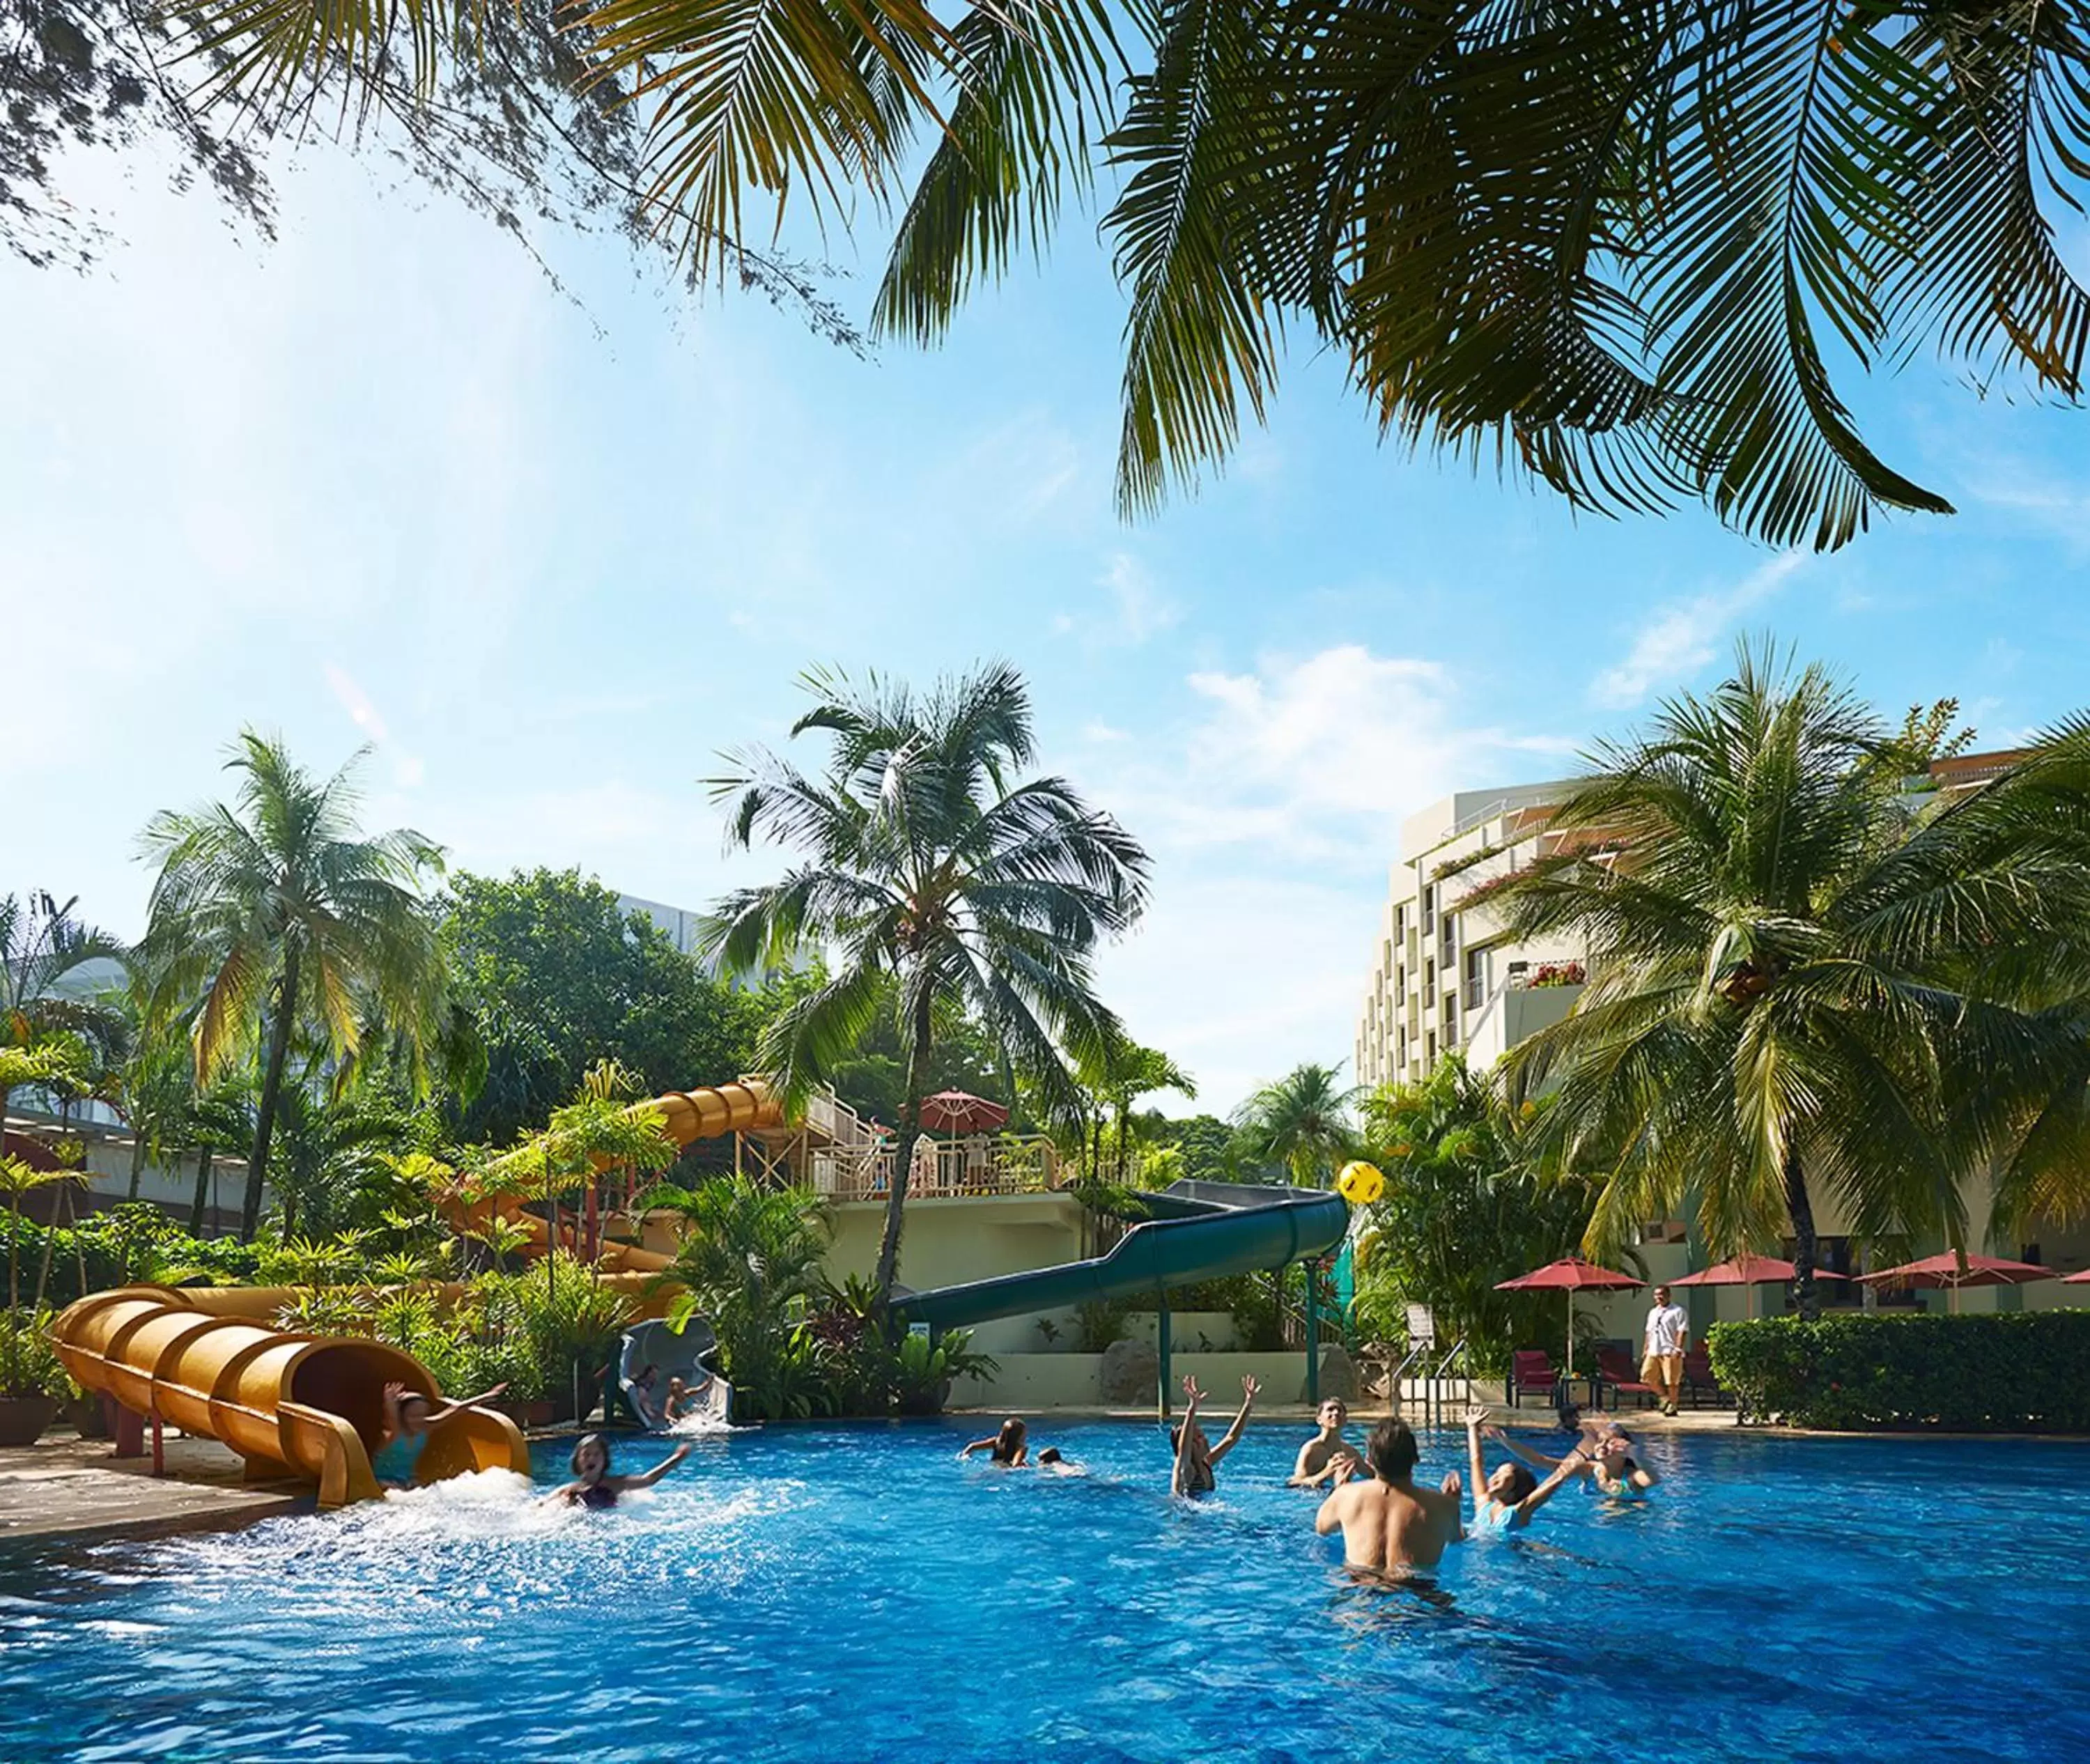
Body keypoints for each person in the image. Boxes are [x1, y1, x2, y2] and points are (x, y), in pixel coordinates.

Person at [1313, 1417, 1464, 1576]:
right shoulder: (1443, 1505)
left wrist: (1338, 1490)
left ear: (1369, 1460)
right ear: (1416, 1459)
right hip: (1418, 1588)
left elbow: (1322, 1528)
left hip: (1360, 1585)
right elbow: (1456, 1539)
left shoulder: (1345, 1495)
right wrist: (1453, 1503)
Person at [1464, 1407, 1585, 1532]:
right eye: (1497, 1472)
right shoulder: (1483, 1504)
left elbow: (1556, 1479)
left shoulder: (1519, 1512)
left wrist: (1579, 1457)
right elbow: (1476, 1461)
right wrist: (1472, 1427)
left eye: (1504, 1474)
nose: (1496, 1476)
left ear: (1517, 1488)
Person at [376, 1378, 509, 1485]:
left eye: (422, 1415)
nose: (418, 1420)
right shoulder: (394, 1433)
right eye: (412, 1415)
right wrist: (389, 1402)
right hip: (381, 1480)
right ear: (402, 1416)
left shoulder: (426, 1426)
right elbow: (393, 1418)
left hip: (408, 1480)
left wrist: (488, 1395)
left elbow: (456, 1409)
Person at [1492, 1420, 1659, 1500]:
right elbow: (1539, 1460)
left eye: (1610, 1443)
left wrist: (1635, 1455)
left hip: (1630, 1524)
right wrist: (1506, 1442)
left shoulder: (1631, 1477)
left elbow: (1654, 1479)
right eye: (1599, 1441)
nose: (1601, 1446)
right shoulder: (1589, 1469)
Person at [540, 1433, 692, 1509]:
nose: (591, 1458)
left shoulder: (615, 1484)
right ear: (577, 1461)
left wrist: (677, 1457)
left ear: (604, 1460)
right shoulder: (568, 1490)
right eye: (586, 1455)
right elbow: (542, 1506)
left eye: (597, 1454)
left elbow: (649, 1480)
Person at [1170, 1374, 1257, 1496]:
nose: (1205, 1439)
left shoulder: (1206, 1462)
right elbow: (1183, 1447)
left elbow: (1231, 1439)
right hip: (1181, 1514)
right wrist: (1192, 1409)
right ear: (1191, 1445)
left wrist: (1248, 1404)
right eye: (1199, 1438)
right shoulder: (1185, 1468)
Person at [1288, 1397, 1360, 1488]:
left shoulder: (1350, 1452)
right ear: (1319, 1420)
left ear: (1346, 1420)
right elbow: (1295, 1482)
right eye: (1330, 1410)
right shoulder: (1311, 1449)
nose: (1336, 1413)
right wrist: (1327, 1471)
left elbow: (1374, 1476)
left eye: (1340, 1410)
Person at [1643, 1283, 1690, 1415]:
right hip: (1654, 1349)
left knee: (1672, 1381)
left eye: (1662, 1295)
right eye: (1656, 1295)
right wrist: (1646, 1348)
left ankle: (1673, 1406)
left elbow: (1682, 1331)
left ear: (1668, 1295)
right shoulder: (1652, 1312)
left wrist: (1678, 1348)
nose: (1659, 1297)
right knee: (1647, 1377)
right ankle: (1664, 1398)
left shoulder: (1678, 1311)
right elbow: (1648, 1332)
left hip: (1669, 1350)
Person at [961, 1417, 1030, 1466]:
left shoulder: (996, 1441)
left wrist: (964, 1456)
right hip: (1005, 1471)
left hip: (993, 1466)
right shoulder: (1021, 1448)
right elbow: (1016, 1465)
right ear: (1020, 1436)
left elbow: (972, 1446)